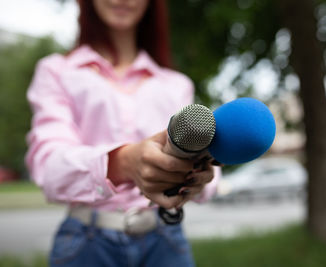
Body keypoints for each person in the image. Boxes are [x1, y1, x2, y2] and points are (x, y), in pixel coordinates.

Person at [25, 0, 220, 266]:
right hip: (86, 246)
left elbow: (211, 178)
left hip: (166, 240)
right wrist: (124, 162)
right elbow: (49, 168)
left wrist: (200, 176)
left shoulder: (176, 85)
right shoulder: (57, 72)